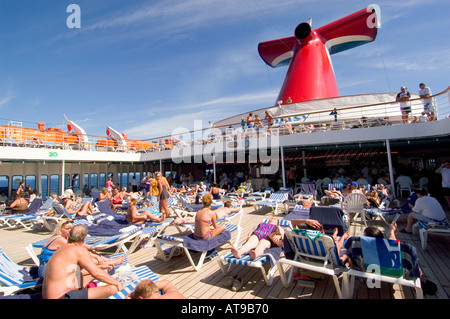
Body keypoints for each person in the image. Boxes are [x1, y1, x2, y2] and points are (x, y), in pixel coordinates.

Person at [42, 224, 123, 299]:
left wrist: (101, 267)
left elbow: (72, 272)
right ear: (84, 239)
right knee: (114, 289)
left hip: (49, 296)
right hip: (62, 297)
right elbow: (95, 272)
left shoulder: (61, 249)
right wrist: (117, 283)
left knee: (87, 276)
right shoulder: (78, 250)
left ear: (69, 236)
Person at [38, 219, 124, 279]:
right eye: (67, 229)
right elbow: (77, 248)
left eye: (71, 229)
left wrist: (92, 247)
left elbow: (80, 244)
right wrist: (96, 256)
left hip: (55, 266)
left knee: (86, 254)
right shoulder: (59, 239)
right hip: (46, 270)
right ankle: (107, 263)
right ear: (60, 229)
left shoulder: (63, 238)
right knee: (84, 258)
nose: (69, 231)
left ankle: (107, 262)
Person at [174, 200, 241, 225]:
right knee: (198, 221)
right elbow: (238, 208)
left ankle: (182, 219)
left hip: (211, 212)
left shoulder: (221, 208)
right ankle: (182, 221)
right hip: (214, 216)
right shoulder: (228, 210)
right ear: (230, 206)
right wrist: (234, 208)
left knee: (196, 218)